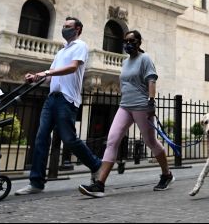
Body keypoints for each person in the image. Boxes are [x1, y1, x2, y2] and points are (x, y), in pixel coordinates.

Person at [78, 30, 173, 197]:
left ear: (139, 42)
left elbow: (151, 80)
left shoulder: (145, 59)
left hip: (141, 106)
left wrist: (151, 102)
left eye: (131, 41)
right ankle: (99, 184)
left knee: (151, 142)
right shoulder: (125, 62)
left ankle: (166, 174)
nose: (128, 44)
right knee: (112, 140)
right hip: (125, 106)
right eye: (125, 41)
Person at [16, 17, 102, 195]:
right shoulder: (60, 52)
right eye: (64, 26)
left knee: (69, 139)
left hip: (66, 99)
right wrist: (35, 77)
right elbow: (50, 77)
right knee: (41, 138)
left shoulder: (80, 46)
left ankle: (96, 164)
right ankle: (36, 183)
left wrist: (46, 72)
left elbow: (72, 68)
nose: (64, 29)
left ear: (78, 29)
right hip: (51, 98)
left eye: (68, 27)